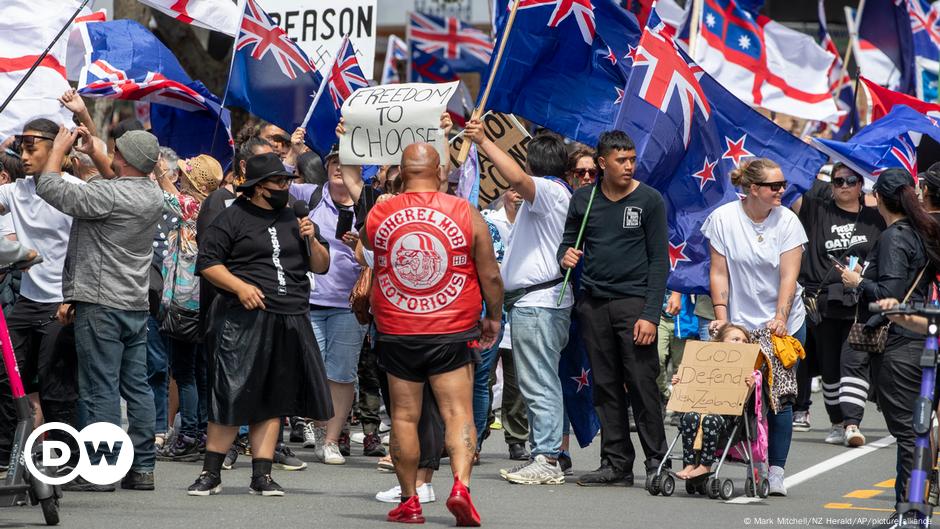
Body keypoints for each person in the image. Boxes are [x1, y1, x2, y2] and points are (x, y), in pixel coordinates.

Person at [361, 143, 503, 525]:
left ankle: (410, 501)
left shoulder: (379, 213)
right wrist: (494, 316)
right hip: (452, 330)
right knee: (457, 413)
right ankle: (460, 487)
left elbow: (372, 253)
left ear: (403, 173)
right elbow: (490, 274)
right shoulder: (464, 211)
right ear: (440, 172)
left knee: (405, 418)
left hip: (397, 330)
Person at [188, 153, 332, 497]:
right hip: (243, 319)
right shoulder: (232, 218)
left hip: (290, 316)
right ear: (257, 187)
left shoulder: (296, 217)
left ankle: (262, 475)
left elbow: (322, 266)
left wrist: (311, 237)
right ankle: (211, 473)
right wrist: (239, 286)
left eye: (287, 181)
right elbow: (208, 263)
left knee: (274, 397)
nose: (287, 187)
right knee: (231, 392)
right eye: (279, 183)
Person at [36, 126, 166, 491]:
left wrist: (59, 148)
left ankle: (102, 469)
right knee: (136, 387)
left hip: (101, 302)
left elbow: (49, 188)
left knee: (99, 388)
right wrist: (94, 151)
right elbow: (117, 177)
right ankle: (141, 468)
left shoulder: (107, 195)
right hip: (134, 303)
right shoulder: (152, 194)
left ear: (122, 158)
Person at [558, 130, 669, 487]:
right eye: (622, 160)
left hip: (634, 304)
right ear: (602, 163)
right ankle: (616, 463)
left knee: (641, 385)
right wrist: (566, 255)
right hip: (593, 303)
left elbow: (659, 263)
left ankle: (657, 461)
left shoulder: (649, 200)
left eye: (632, 159)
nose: (629, 166)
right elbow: (568, 240)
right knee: (604, 386)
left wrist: (650, 314)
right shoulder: (584, 199)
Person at [465, 119, 573, 486]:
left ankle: (547, 457)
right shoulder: (553, 193)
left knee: (538, 381)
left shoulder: (550, 191)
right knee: (538, 380)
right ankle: (548, 453)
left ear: (531, 165)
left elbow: (519, 181)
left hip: (540, 302)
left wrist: (483, 141)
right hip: (536, 301)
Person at [701, 157, 808, 496]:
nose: (781, 191)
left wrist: (780, 316)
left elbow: (789, 276)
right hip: (740, 322)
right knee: (732, 394)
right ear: (751, 189)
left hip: (783, 322)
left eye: (782, 185)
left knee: (779, 399)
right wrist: (721, 315)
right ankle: (728, 458)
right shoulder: (723, 218)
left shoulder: (787, 220)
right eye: (774, 186)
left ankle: (775, 470)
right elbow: (719, 271)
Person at [838, 168, 940, 511]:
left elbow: (892, 294)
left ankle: (909, 508)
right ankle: (910, 505)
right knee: (915, 431)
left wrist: (858, 282)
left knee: (911, 433)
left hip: (902, 342)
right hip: (917, 339)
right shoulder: (917, 231)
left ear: (879, 198)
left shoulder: (896, 236)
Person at [0, 119, 83, 480]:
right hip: (27, 302)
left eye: (33, 147)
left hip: (61, 303)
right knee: (6, 377)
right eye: (21, 148)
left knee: (55, 386)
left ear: (55, 148)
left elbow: (89, 249)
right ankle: (7, 455)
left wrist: (75, 297)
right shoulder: (16, 191)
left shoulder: (75, 190)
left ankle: (66, 459)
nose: (24, 155)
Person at [794, 163, 883, 446]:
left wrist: (863, 277)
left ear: (861, 185)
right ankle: (836, 422)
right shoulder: (817, 210)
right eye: (838, 181)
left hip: (860, 302)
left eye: (851, 180)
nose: (844, 185)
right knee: (830, 368)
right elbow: (794, 181)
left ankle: (852, 424)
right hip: (823, 304)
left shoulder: (875, 218)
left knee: (853, 361)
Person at [290, 146, 368, 465]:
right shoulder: (308, 194)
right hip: (309, 300)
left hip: (349, 304)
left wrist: (359, 246)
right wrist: (296, 147)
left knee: (342, 374)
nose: (340, 168)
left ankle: (332, 440)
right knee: (314, 371)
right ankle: (320, 433)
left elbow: (380, 249)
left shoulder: (368, 203)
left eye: (347, 162)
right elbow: (273, 182)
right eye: (335, 161)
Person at [156, 155, 223, 461]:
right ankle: (203, 432)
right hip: (207, 301)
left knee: (184, 373)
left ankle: (189, 435)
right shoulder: (219, 208)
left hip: (186, 301)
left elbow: (171, 195)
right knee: (201, 371)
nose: (179, 177)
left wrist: (159, 173)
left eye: (185, 175)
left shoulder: (195, 208)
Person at [482, 189, 531, 462]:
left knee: (516, 383)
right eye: (513, 190)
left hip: (520, 312)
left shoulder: (533, 221)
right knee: (483, 380)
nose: (518, 196)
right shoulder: (487, 220)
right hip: (489, 313)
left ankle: (517, 439)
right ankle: (480, 428)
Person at [672, 323, 754, 480]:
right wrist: (679, 383)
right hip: (699, 410)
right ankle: (689, 463)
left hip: (727, 420)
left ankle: (705, 466)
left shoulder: (747, 371)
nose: (741, 343)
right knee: (689, 417)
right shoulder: (705, 364)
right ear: (720, 342)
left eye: (745, 341)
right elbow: (689, 391)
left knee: (710, 419)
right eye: (735, 339)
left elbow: (744, 405)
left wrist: (749, 388)